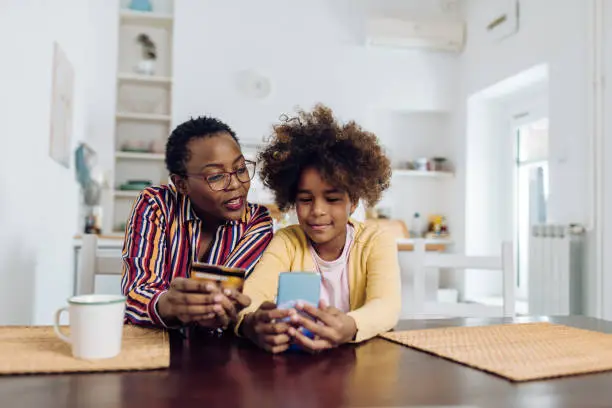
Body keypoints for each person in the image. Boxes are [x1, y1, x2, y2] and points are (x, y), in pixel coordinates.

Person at [237, 104, 401, 353]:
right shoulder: (287, 241)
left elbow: (386, 306)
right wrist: (251, 323)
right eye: (305, 199)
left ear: (353, 201)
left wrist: (349, 325)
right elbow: (251, 297)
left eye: (332, 199)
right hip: (295, 368)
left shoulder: (376, 240)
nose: (317, 210)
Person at [121, 116, 273, 329]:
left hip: (217, 354)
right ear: (181, 184)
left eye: (240, 169)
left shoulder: (257, 221)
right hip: (155, 345)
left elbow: (224, 300)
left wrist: (212, 304)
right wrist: (169, 305)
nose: (236, 184)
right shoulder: (156, 205)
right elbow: (135, 295)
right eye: (216, 176)